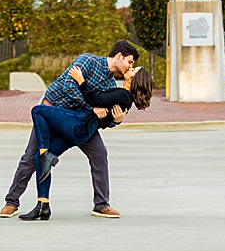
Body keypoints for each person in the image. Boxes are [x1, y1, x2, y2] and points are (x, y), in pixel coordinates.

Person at [0, 41, 141, 219]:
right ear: (119, 56)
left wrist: (117, 121)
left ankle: (101, 204)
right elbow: (69, 86)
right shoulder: (87, 61)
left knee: (99, 155)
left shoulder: (112, 85)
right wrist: (91, 108)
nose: (130, 66)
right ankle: (11, 202)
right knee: (31, 157)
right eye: (129, 62)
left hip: (79, 124)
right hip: (52, 115)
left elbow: (106, 116)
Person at [18, 67, 153, 223]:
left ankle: (44, 152)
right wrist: (114, 119)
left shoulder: (123, 95)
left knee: (38, 111)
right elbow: (103, 116)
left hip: (78, 124)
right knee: (38, 160)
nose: (130, 67)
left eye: (133, 69)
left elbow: (95, 98)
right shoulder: (122, 98)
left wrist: (80, 79)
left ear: (134, 79)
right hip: (83, 131)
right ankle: (43, 205)